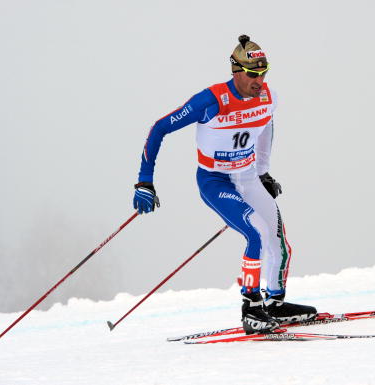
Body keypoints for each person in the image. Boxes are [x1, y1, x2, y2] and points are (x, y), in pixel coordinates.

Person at [133, 35, 317, 334]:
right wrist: (144, 180)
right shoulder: (210, 100)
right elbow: (160, 128)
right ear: (236, 71)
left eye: (264, 72)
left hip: (247, 177)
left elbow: (266, 129)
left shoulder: (268, 96)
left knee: (278, 242)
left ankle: (275, 304)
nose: (260, 80)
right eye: (253, 74)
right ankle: (251, 307)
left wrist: (263, 172)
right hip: (215, 180)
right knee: (255, 232)